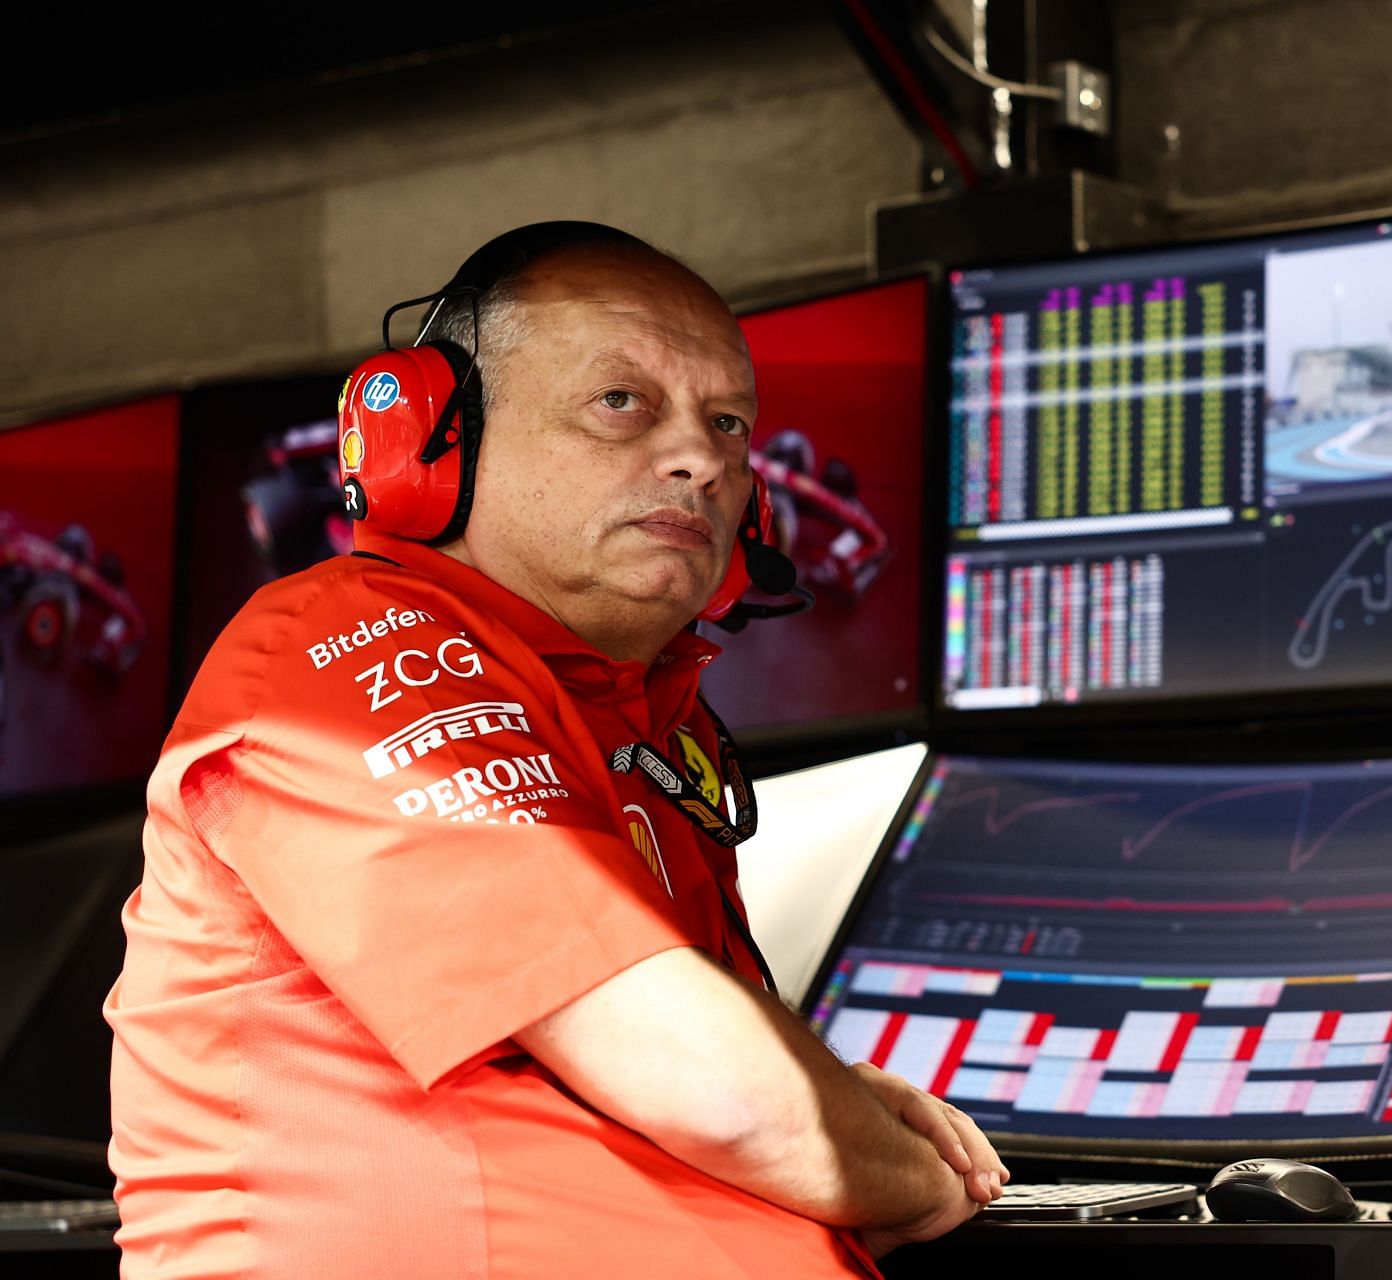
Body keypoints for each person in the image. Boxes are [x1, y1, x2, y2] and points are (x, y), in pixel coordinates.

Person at [105, 222, 1006, 1279]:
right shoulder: (336, 648)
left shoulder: (647, 724)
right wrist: (911, 1174)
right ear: (436, 437)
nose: (701, 457)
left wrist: (842, 1109)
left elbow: (722, 1072)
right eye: (621, 402)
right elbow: (722, 1094)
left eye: (727, 422)